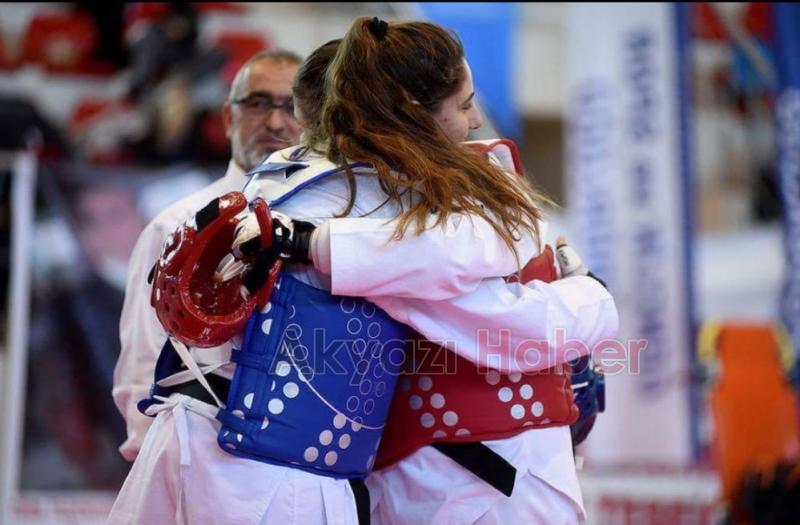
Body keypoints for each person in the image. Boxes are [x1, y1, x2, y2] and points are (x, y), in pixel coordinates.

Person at [107, 21, 615, 524]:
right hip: (269, 472)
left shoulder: (279, 184)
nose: (477, 121)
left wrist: (311, 242)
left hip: (203, 450)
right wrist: (594, 299)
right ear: (408, 112)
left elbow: (498, 237)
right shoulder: (375, 209)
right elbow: (501, 289)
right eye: (463, 105)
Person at [111, 49, 302, 463]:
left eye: (292, 106)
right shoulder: (175, 226)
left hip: (304, 467)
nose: (274, 121)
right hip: (195, 460)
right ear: (228, 118)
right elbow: (141, 367)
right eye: (257, 104)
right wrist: (160, 462)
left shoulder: (332, 230)